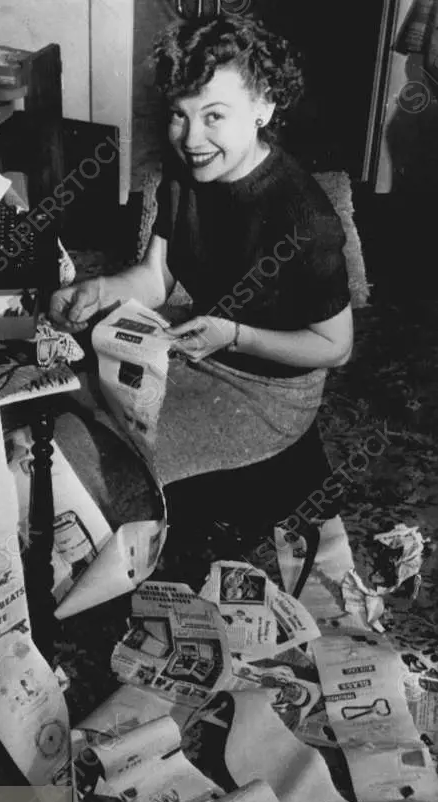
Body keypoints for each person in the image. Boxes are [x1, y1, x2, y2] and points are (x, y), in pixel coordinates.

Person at [49, 14, 352, 514]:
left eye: (214, 116)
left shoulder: (304, 217)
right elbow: (155, 278)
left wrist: (234, 335)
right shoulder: (184, 169)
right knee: (63, 406)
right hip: (195, 342)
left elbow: (336, 347)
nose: (190, 139)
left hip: (268, 392)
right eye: (179, 114)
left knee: (96, 469)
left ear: (263, 107)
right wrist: (98, 291)